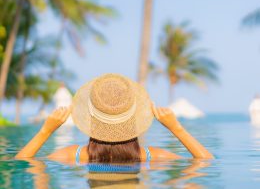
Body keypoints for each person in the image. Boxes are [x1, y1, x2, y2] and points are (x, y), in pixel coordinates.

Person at [15, 73, 213, 163]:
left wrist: (45, 131)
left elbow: (22, 162)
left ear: (91, 120)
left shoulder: (73, 155)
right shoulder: (150, 156)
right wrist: (176, 128)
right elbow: (205, 161)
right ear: (133, 119)